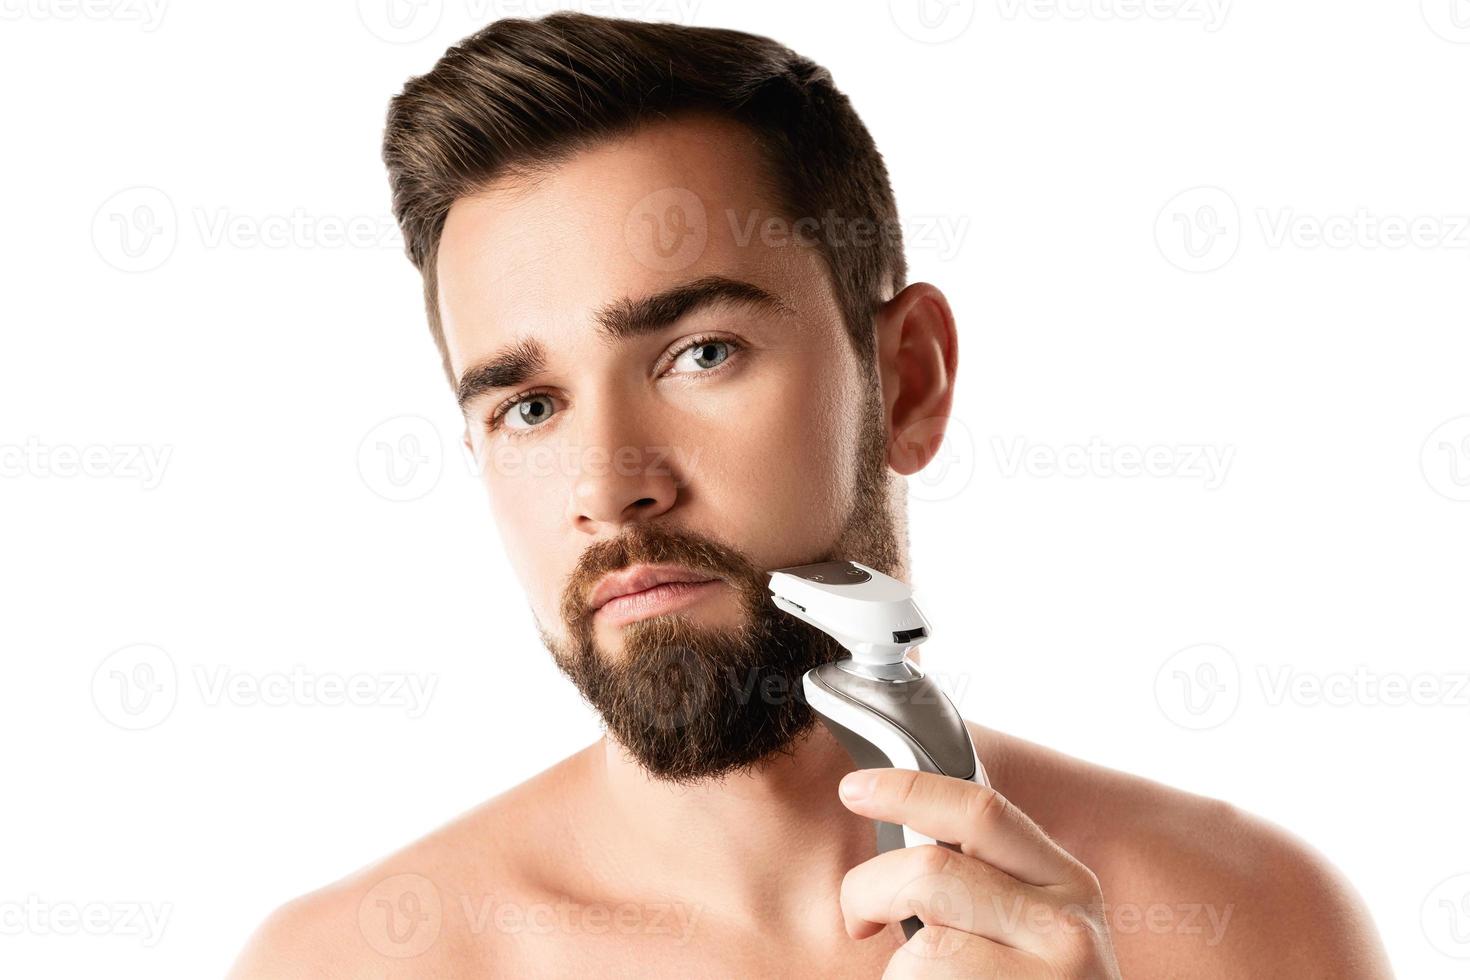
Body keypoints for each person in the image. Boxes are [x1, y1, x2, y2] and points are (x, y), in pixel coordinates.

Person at [229, 12, 1392, 977]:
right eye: (528, 405)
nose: (607, 486)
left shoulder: (1245, 923)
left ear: (907, 378)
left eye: (700, 353)